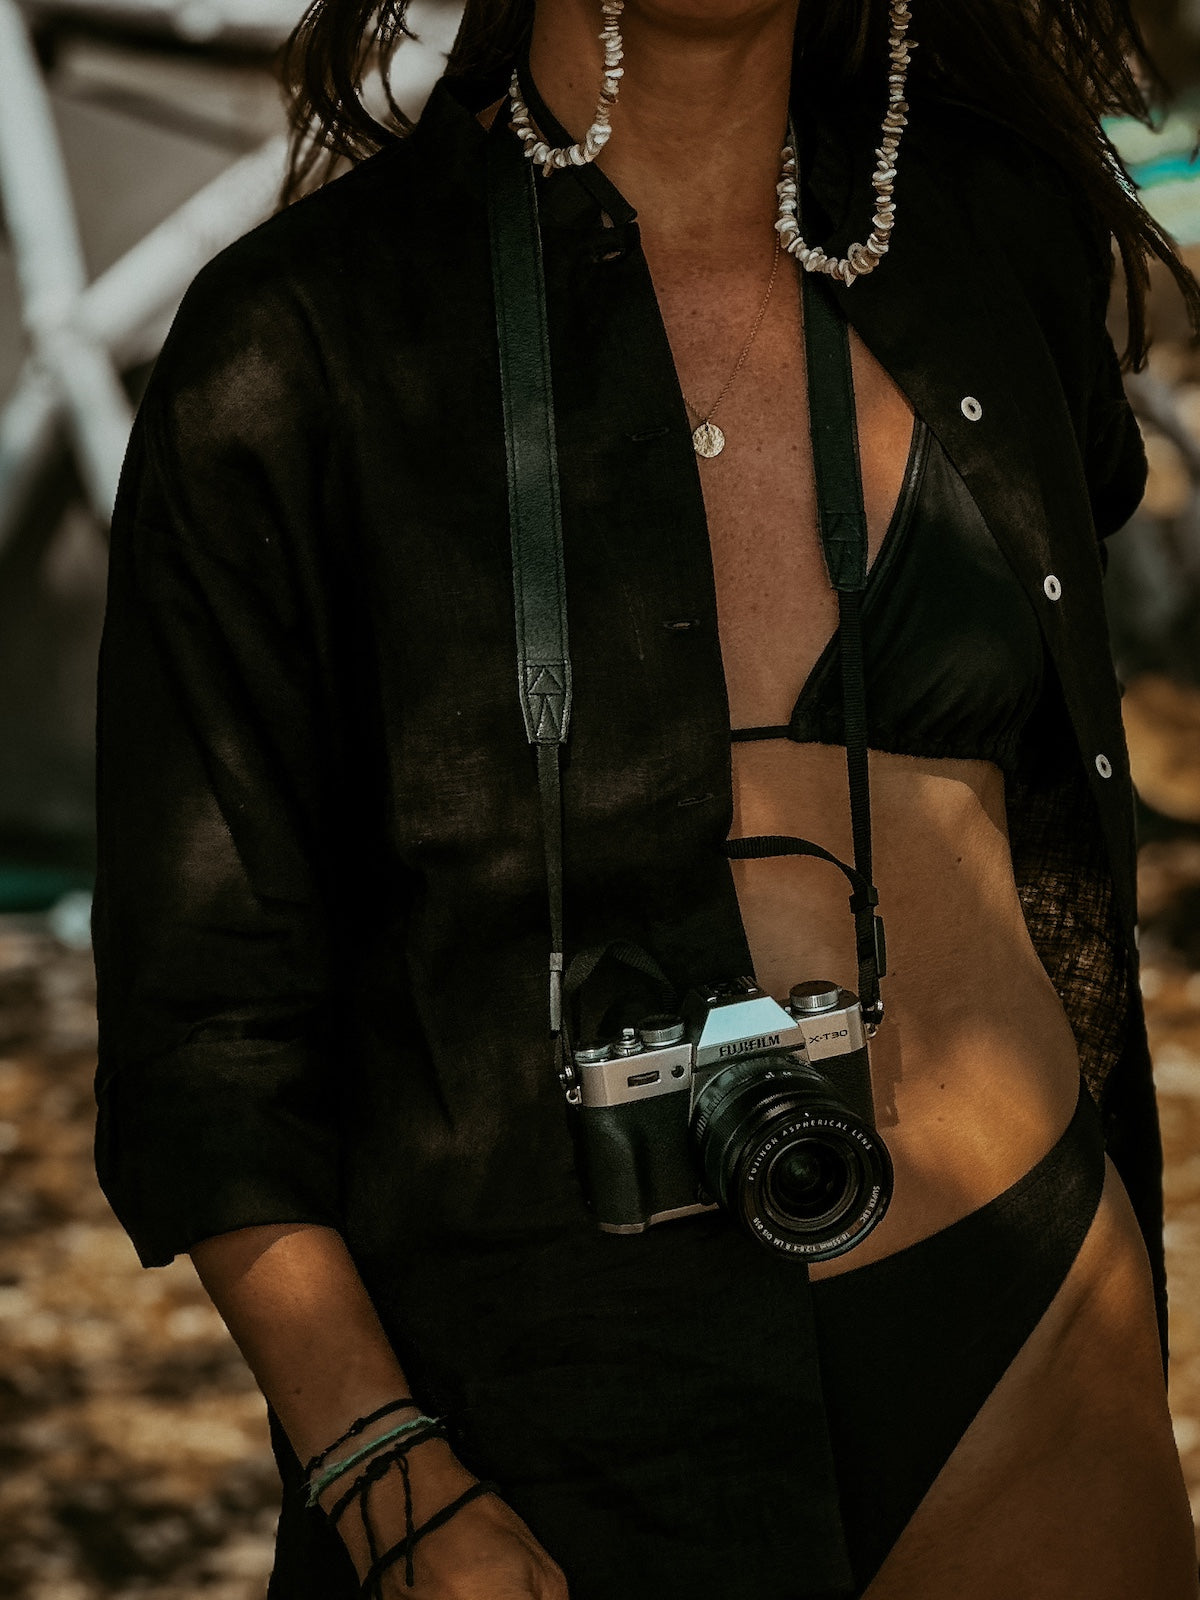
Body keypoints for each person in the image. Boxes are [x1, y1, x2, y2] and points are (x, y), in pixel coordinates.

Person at [92, 0, 1200, 1595]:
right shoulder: (302, 341)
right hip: (555, 1412)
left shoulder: (993, 237)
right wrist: (382, 1470)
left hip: (1026, 1326)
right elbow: (207, 1025)